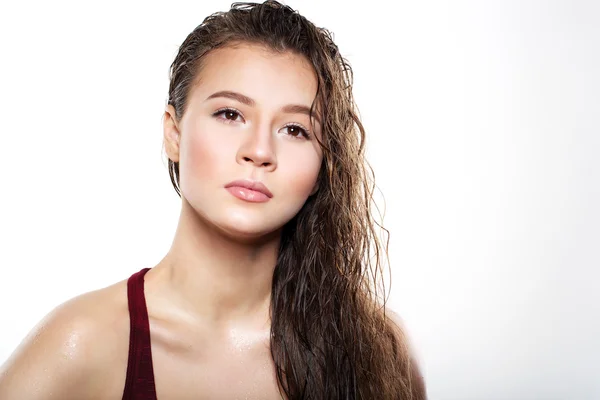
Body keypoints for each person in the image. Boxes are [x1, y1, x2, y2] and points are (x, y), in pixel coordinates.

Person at [0, 1, 426, 398]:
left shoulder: (376, 348)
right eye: (230, 114)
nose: (259, 151)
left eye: (295, 130)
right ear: (174, 132)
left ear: (323, 166)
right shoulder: (82, 344)